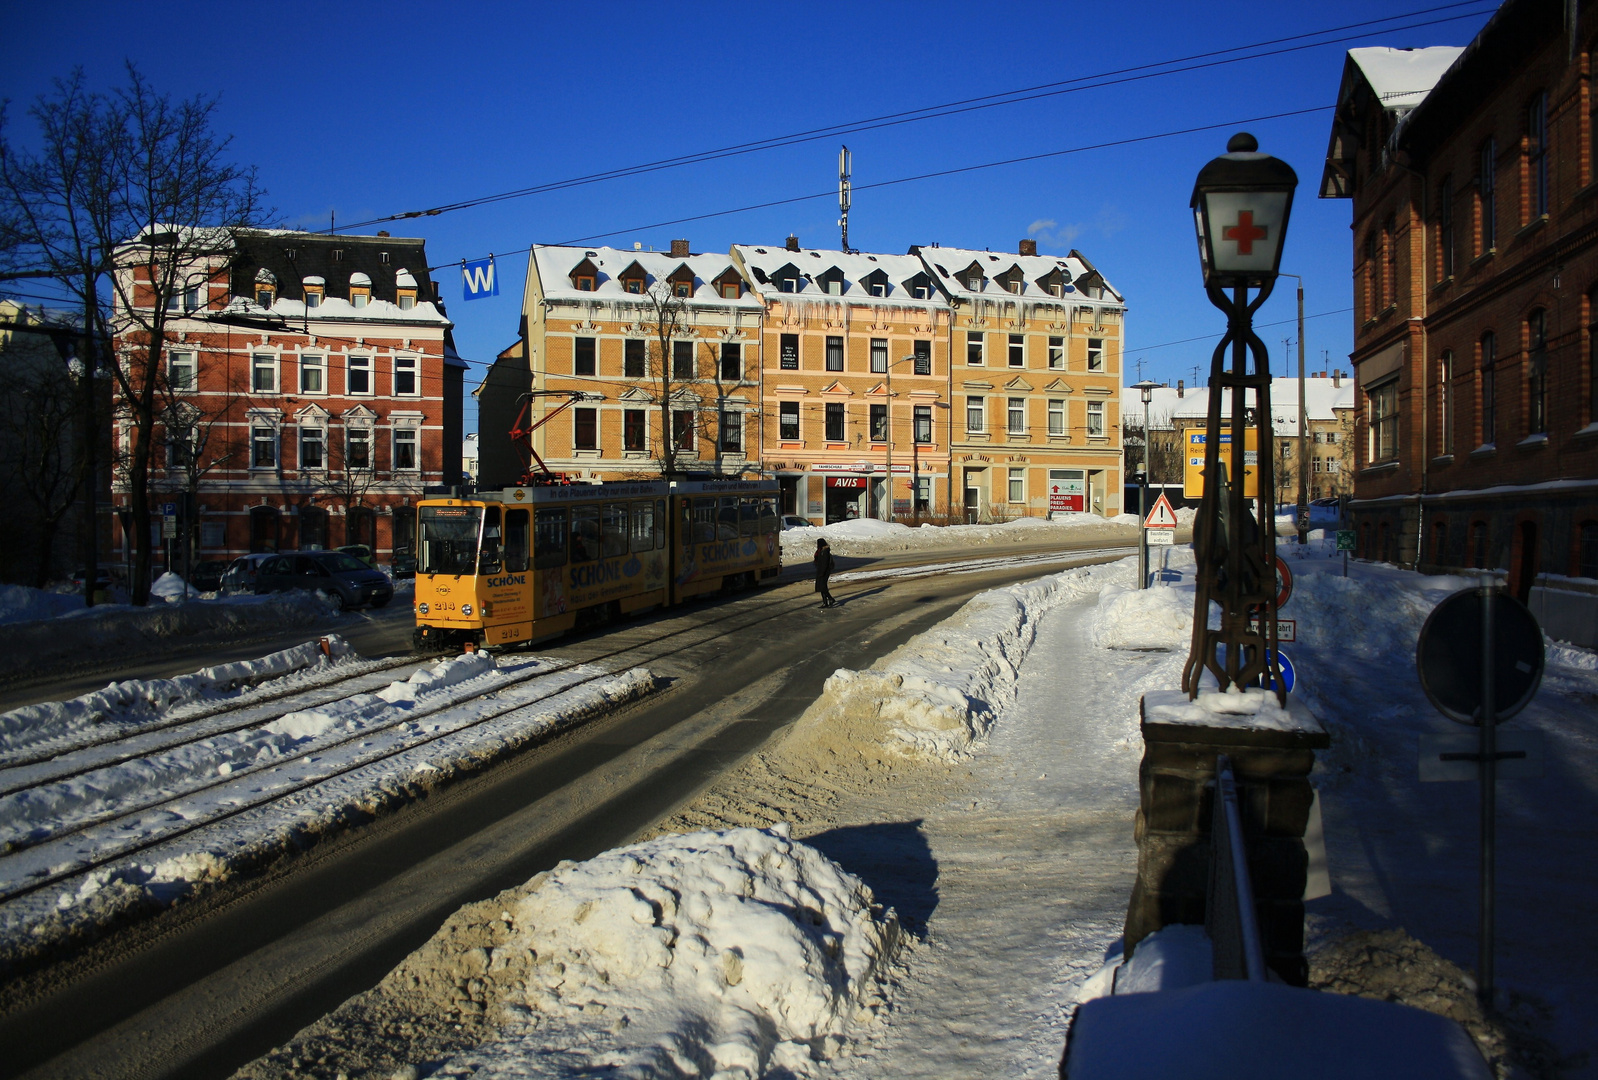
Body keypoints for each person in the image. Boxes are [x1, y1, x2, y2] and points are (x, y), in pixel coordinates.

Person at [813, 537, 835, 608]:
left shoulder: (825, 551)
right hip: (821, 571)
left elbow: (825, 563)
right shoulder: (820, 551)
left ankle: (830, 599)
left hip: (824, 572)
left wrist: (822, 572)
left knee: (823, 587)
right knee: (821, 587)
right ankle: (825, 602)